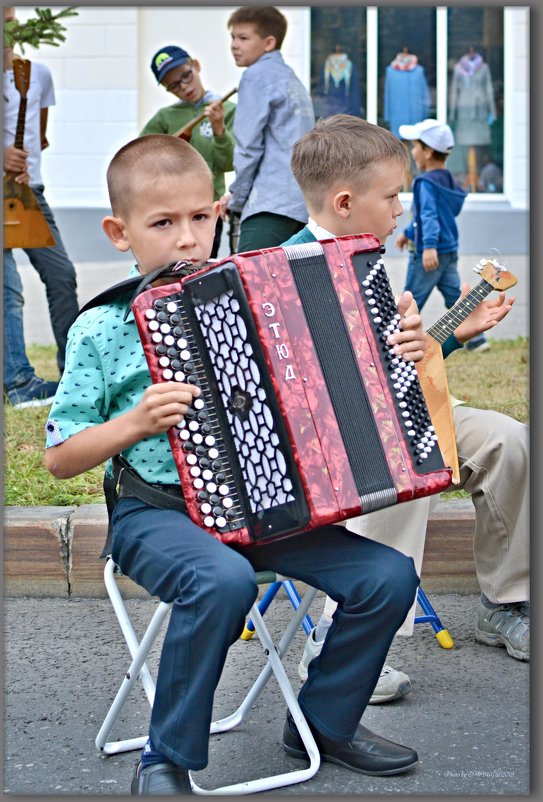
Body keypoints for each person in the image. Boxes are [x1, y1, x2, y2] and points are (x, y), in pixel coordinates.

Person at [44, 133, 435, 794]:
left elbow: (335, 363)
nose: (187, 238)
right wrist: (134, 423)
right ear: (119, 231)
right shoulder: (102, 328)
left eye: (200, 217)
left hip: (265, 507)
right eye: (163, 223)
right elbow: (59, 457)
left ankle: (323, 724)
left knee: (387, 576)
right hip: (154, 516)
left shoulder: (259, 293)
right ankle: (164, 759)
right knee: (222, 581)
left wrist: (397, 335)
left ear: (218, 216)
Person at [282, 114, 528, 698]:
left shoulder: (366, 257)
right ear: (344, 201)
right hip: (334, 444)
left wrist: (449, 334)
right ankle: (341, 642)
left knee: (509, 439)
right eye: (392, 196)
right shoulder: (288, 269)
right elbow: (305, 385)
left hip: (395, 414)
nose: (401, 210)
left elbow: (392, 366)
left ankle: (506, 603)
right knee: (407, 459)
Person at [3, 6, 79, 408]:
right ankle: (18, 383)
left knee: (61, 274)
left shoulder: (35, 75)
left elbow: (39, 132)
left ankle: (75, 373)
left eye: (11, 18)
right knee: (7, 289)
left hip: (29, 193)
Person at [220, 6, 315, 253]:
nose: (234, 45)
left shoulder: (256, 76)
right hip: (301, 204)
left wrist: (237, 198)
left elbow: (248, 147)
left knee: (248, 284)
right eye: (232, 37)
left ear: (269, 42)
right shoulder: (291, 79)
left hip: (269, 205)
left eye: (243, 38)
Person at [395, 118, 489, 352]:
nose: (412, 151)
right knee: (455, 295)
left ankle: (396, 340)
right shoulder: (448, 181)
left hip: (430, 253)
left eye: (415, 146)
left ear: (427, 152)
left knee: (411, 298)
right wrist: (408, 233)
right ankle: (477, 339)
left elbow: (428, 216)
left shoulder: (424, 183)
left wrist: (427, 246)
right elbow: (436, 215)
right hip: (448, 250)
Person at [140, 44, 236, 259]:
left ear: (196, 65)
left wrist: (219, 129)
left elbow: (228, 163)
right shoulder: (165, 118)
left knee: (202, 263)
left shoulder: (227, 110)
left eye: (186, 76)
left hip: (208, 207)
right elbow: (140, 158)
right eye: (173, 85)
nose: (184, 87)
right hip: (169, 208)